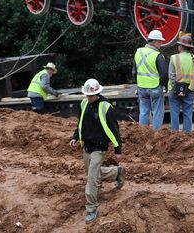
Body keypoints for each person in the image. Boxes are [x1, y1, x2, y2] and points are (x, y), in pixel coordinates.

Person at [69, 78, 124, 224]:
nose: (89, 97)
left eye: (91, 95)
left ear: (98, 93)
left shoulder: (106, 107)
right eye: (87, 95)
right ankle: (116, 172)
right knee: (93, 173)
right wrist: (75, 137)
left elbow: (114, 129)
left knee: (92, 180)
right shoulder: (83, 104)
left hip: (100, 147)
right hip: (86, 146)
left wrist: (118, 149)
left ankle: (91, 208)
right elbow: (80, 123)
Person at [133, 30, 168, 130]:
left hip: (142, 87)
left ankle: (143, 134)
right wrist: (165, 86)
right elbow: (164, 74)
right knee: (157, 112)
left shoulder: (138, 52)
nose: (161, 44)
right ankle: (156, 135)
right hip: (155, 87)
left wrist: (138, 84)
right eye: (160, 41)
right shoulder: (158, 55)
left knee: (144, 111)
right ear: (155, 41)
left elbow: (134, 72)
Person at [168, 35, 194, 132]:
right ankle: (187, 134)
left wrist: (176, 89)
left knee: (174, 112)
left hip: (174, 90)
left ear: (181, 47)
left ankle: (174, 133)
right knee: (187, 113)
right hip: (190, 90)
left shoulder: (174, 58)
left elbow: (171, 76)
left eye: (179, 45)